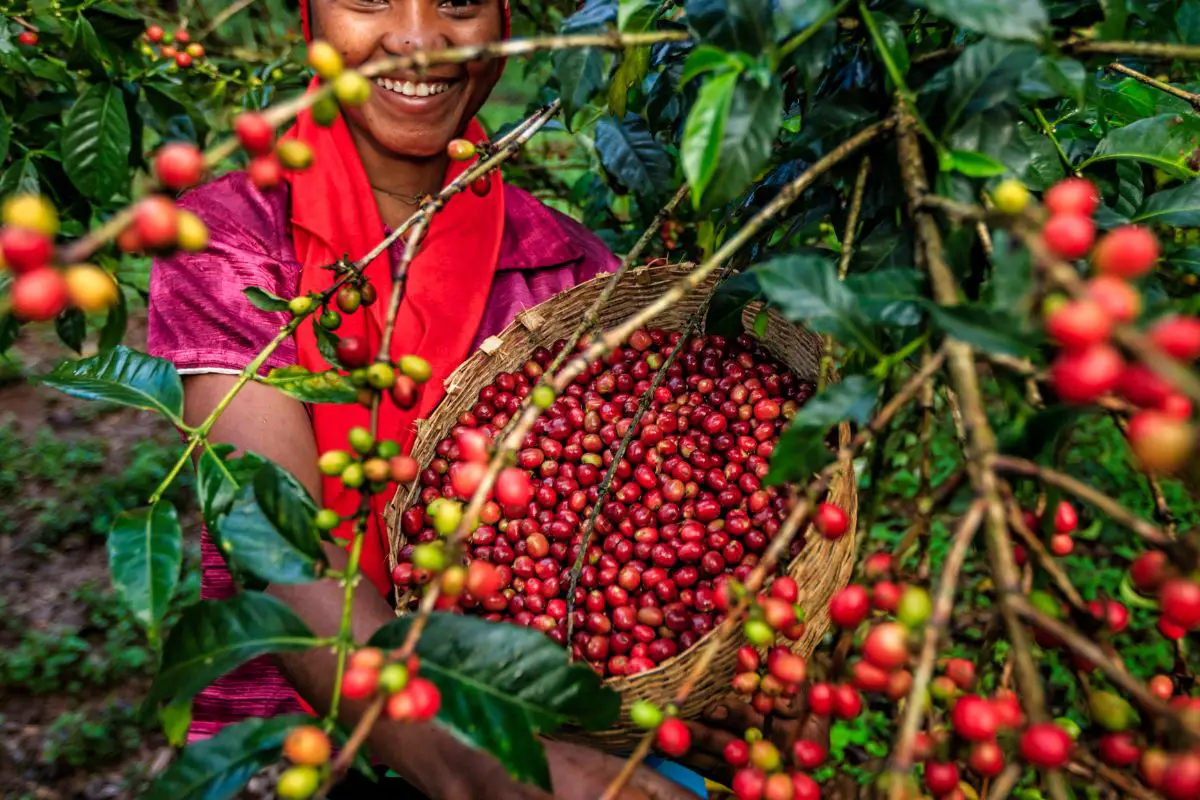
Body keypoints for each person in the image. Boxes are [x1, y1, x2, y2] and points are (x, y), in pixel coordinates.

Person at [148, 0, 710, 797]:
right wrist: (480, 771)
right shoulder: (226, 242)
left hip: (543, 726)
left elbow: (613, 552)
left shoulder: (573, 277)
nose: (416, 40)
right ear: (308, 14)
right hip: (280, 757)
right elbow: (272, 540)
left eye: (460, 3)